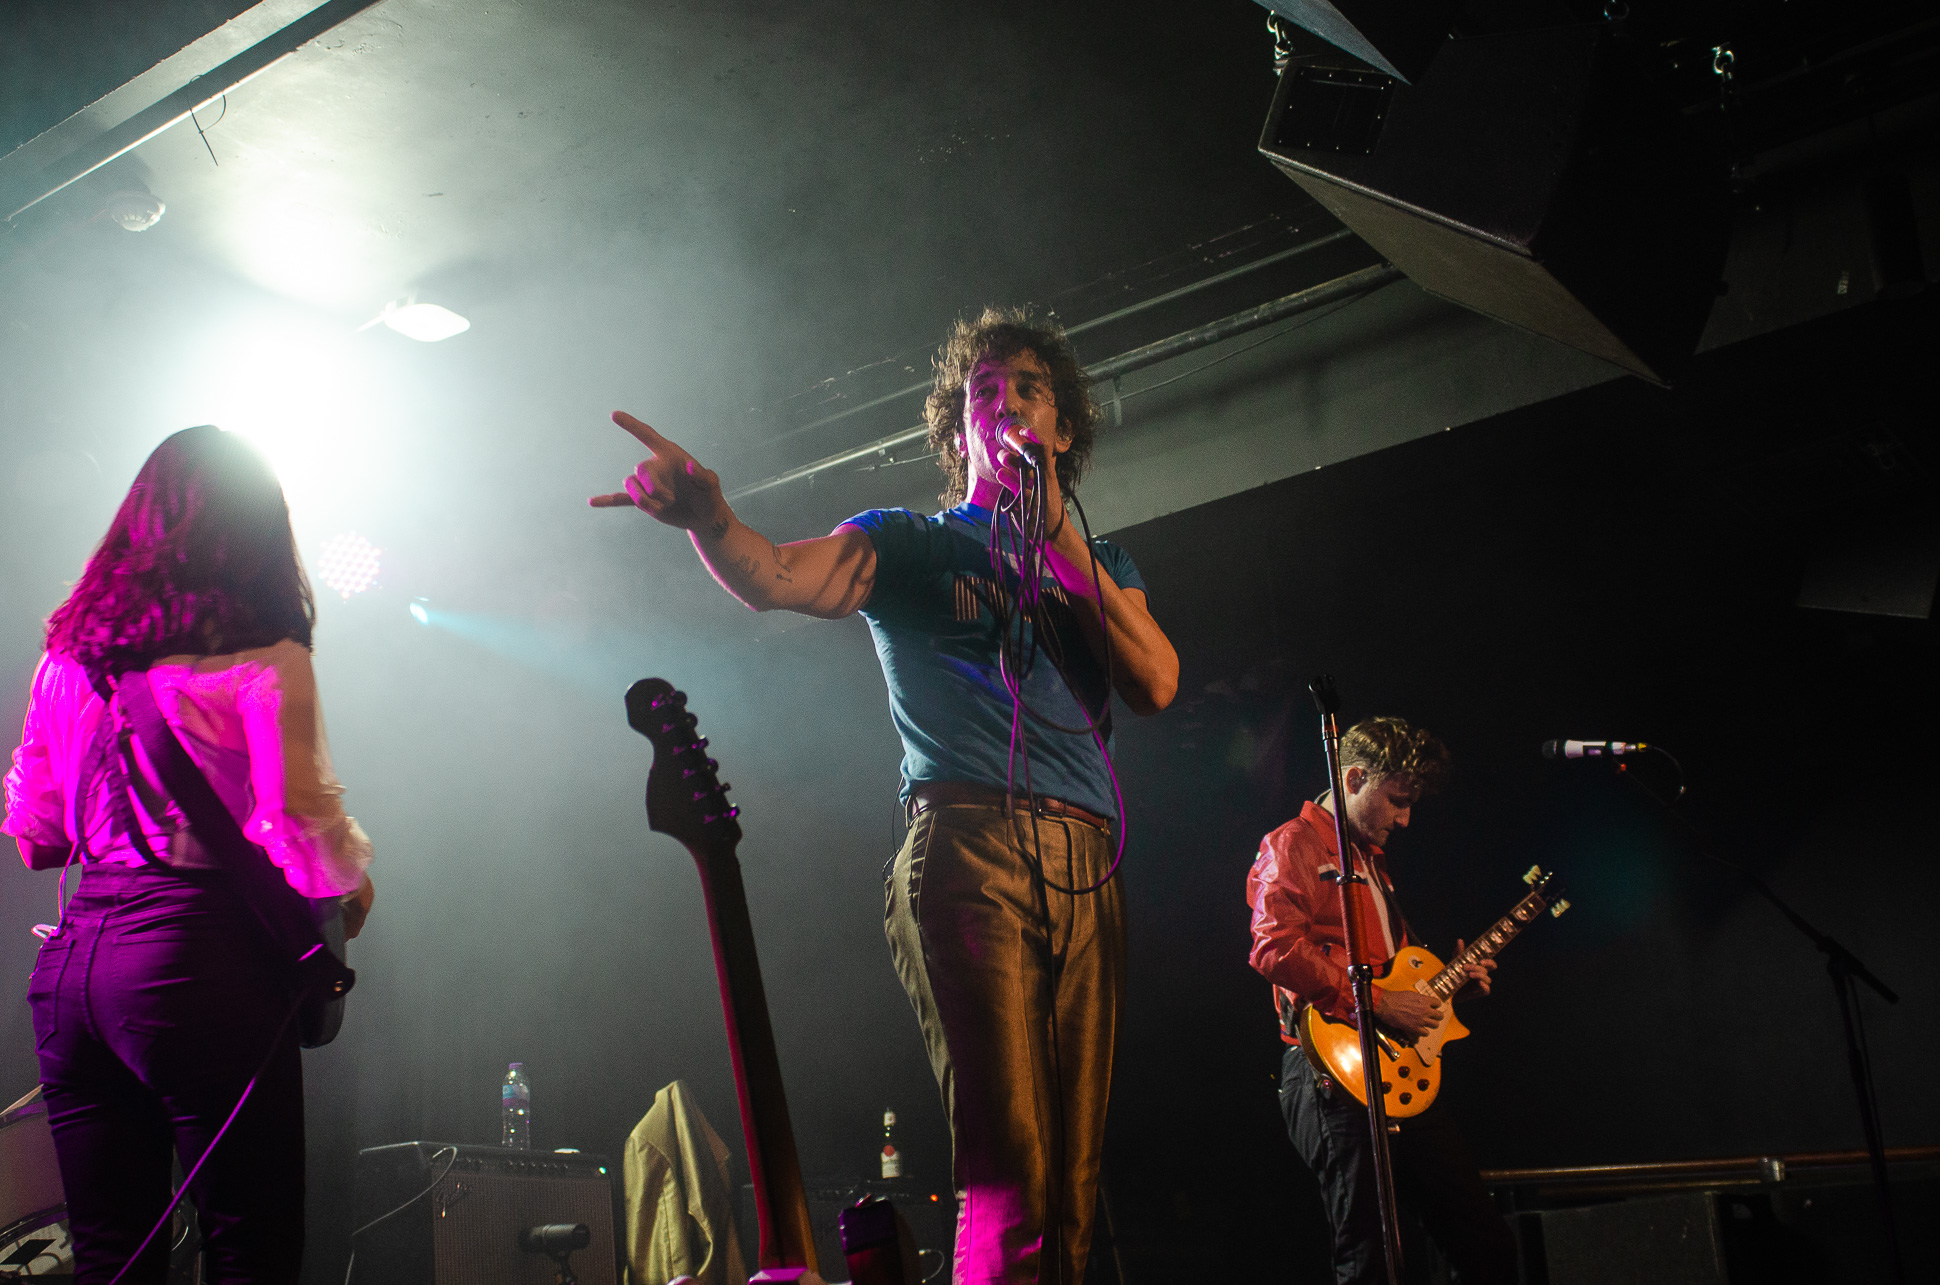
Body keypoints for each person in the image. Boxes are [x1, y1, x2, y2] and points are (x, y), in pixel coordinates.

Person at [592, 307, 1179, 1284]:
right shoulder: (910, 544)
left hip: (1086, 861)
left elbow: (1155, 681)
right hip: (969, 843)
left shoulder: (1103, 567)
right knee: (1012, 1167)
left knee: (1073, 1189)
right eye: (981, 396)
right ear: (957, 437)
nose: (1003, 407)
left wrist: (1062, 544)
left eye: (1025, 390)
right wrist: (709, 519)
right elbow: (778, 576)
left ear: (1063, 428)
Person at [3, 425, 376, 1285]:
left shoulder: (68, 656)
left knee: (109, 1256)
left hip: (71, 974)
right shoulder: (264, 656)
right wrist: (353, 893)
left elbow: (34, 831)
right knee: (252, 1247)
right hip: (191, 964)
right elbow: (303, 833)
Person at [1244, 717, 1516, 1285]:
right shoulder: (1292, 842)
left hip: (1392, 1072)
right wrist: (1374, 1006)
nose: (1405, 818)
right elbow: (1274, 949)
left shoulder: (1370, 860)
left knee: (1484, 1241)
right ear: (1355, 778)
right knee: (1373, 1259)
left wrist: (1445, 987)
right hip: (1330, 1074)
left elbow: (1391, 974)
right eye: (1396, 801)